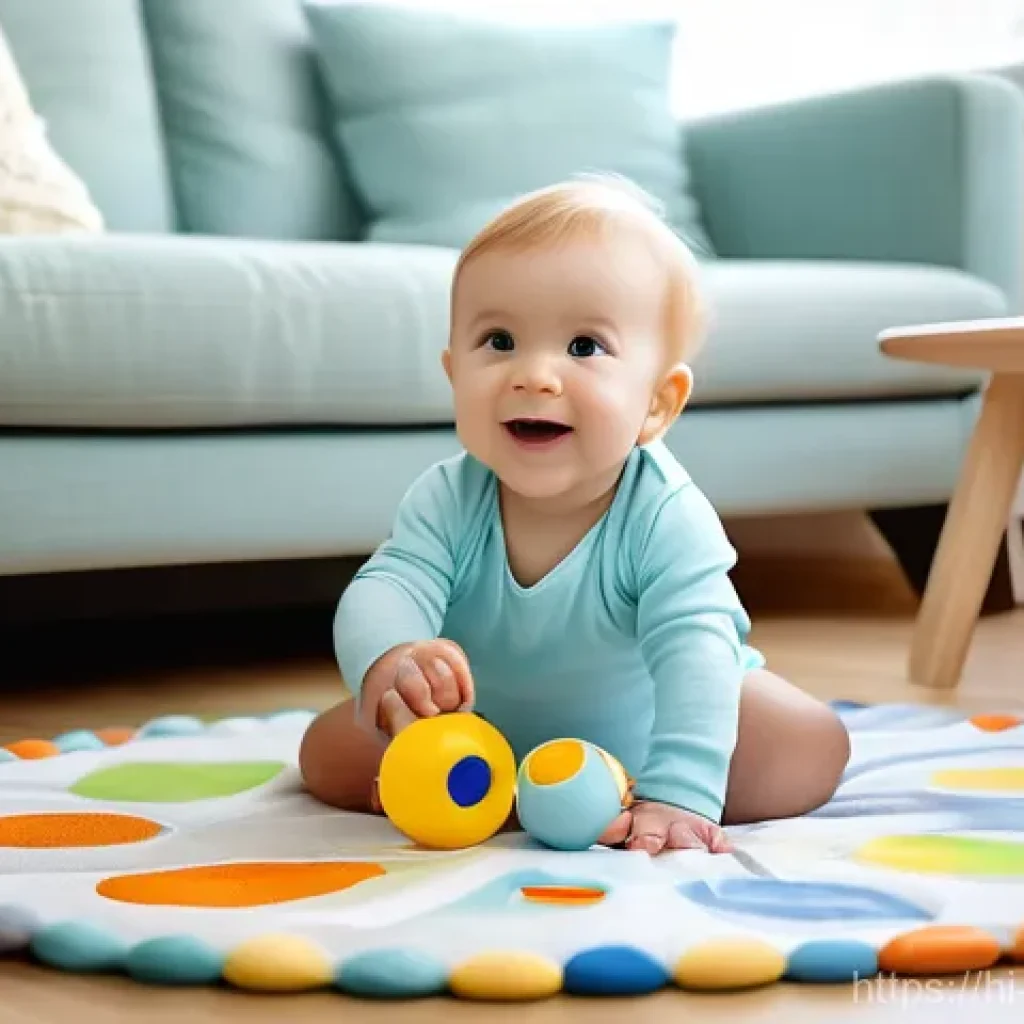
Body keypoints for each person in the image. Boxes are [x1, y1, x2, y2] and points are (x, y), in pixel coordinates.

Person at [299, 175, 850, 855]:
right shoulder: (446, 498)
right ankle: (495, 786)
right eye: (499, 340)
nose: (534, 374)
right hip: (483, 725)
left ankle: (632, 792)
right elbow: (388, 585)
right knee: (325, 753)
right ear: (453, 373)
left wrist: (682, 791)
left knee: (807, 743)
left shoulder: (665, 516)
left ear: (657, 403)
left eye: (584, 347)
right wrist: (394, 656)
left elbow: (696, 653)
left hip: (652, 725)